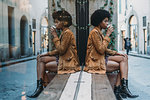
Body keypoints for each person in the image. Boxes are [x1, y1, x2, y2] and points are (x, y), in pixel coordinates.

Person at [84, 9, 138, 100]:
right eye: (105, 21)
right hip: (94, 63)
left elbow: (103, 49)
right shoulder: (94, 33)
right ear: (98, 22)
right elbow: (101, 49)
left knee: (124, 58)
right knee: (121, 65)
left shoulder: (98, 32)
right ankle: (119, 89)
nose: (107, 23)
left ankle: (121, 89)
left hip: (99, 59)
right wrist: (108, 34)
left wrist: (117, 53)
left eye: (107, 21)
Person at [28, 10, 81, 98]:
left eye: (57, 22)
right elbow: (59, 50)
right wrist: (46, 54)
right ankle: (40, 85)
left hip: (69, 63)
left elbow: (61, 50)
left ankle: (40, 86)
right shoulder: (64, 32)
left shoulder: (67, 33)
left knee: (42, 62)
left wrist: (55, 36)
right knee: (40, 58)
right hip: (64, 58)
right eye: (55, 22)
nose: (55, 24)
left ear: (64, 22)